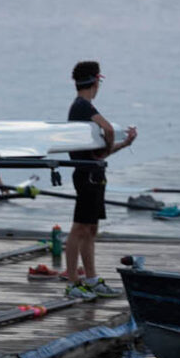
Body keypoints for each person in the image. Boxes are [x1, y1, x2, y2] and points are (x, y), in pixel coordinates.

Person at [63, 61, 137, 300]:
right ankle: (73, 282)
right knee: (79, 228)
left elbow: (101, 152)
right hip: (86, 175)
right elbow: (109, 129)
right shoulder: (81, 106)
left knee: (92, 229)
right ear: (96, 82)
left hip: (95, 174)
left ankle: (92, 279)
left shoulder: (84, 107)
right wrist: (111, 143)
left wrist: (124, 145)